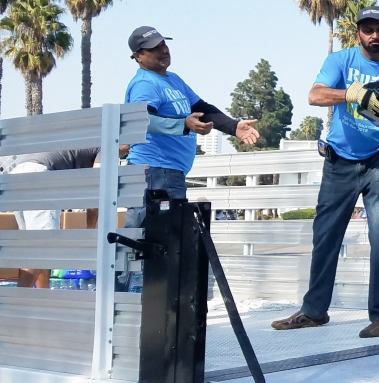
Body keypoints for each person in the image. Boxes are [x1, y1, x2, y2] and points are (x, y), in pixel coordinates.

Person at [271, 6, 379, 338]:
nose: (375, 35)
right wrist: (353, 93)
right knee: (325, 235)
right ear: (358, 33)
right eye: (368, 29)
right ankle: (315, 312)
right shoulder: (341, 62)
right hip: (339, 160)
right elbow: (315, 95)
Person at [124, 26, 259, 228]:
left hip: (168, 172)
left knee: (165, 242)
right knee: (154, 241)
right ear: (138, 56)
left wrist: (234, 127)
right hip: (154, 170)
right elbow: (144, 120)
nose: (163, 50)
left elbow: (202, 108)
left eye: (163, 44)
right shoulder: (144, 84)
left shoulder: (173, 79)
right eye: (154, 48)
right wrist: (183, 125)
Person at [6, 148, 101, 288]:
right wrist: (90, 230)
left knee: (33, 247)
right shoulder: (105, 147)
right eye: (129, 144)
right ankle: (17, 302)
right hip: (40, 175)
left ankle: (41, 299)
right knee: (43, 245)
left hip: (18, 174)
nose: (129, 149)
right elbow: (96, 188)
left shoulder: (85, 140)